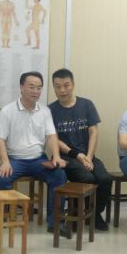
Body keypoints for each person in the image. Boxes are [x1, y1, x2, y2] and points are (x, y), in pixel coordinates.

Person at [0, 71, 67, 232]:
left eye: (39, 88)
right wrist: (5, 162)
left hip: (39, 160)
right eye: (32, 87)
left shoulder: (45, 111)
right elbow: (0, 139)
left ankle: (55, 223)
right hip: (15, 159)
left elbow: (51, 136)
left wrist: (56, 156)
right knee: (0, 179)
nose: (36, 91)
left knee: (59, 176)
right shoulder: (7, 111)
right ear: (21, 87)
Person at [49, 68, 112, 230]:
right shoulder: (50, 110)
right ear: (53, 87)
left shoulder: (87, 104)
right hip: (66, 157)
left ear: (73, 84)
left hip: (88, 155)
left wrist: (89, 157)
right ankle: (76, 214)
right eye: (57, 86)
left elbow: (93, 132)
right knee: (86, 177)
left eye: (66, 85)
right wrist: (78, 155)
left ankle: (95, 214)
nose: (62, 90)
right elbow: (53, 138)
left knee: (104, 179)